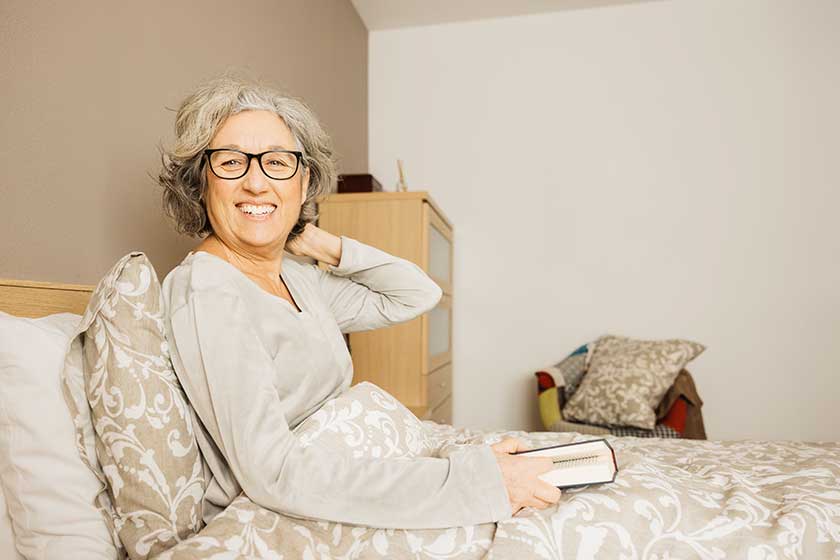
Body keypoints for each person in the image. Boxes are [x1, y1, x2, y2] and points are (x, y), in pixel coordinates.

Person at [157, 76, 562, 530]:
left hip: (362, 471)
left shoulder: (295, 277)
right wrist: (473, 485)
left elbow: (416, 293)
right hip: (297, 509)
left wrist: (319, 243)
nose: (256, 183)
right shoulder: (208, 292)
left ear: (304, 179)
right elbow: (272, 472)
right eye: (231, 162)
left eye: (277, 163)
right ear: (201, 181)